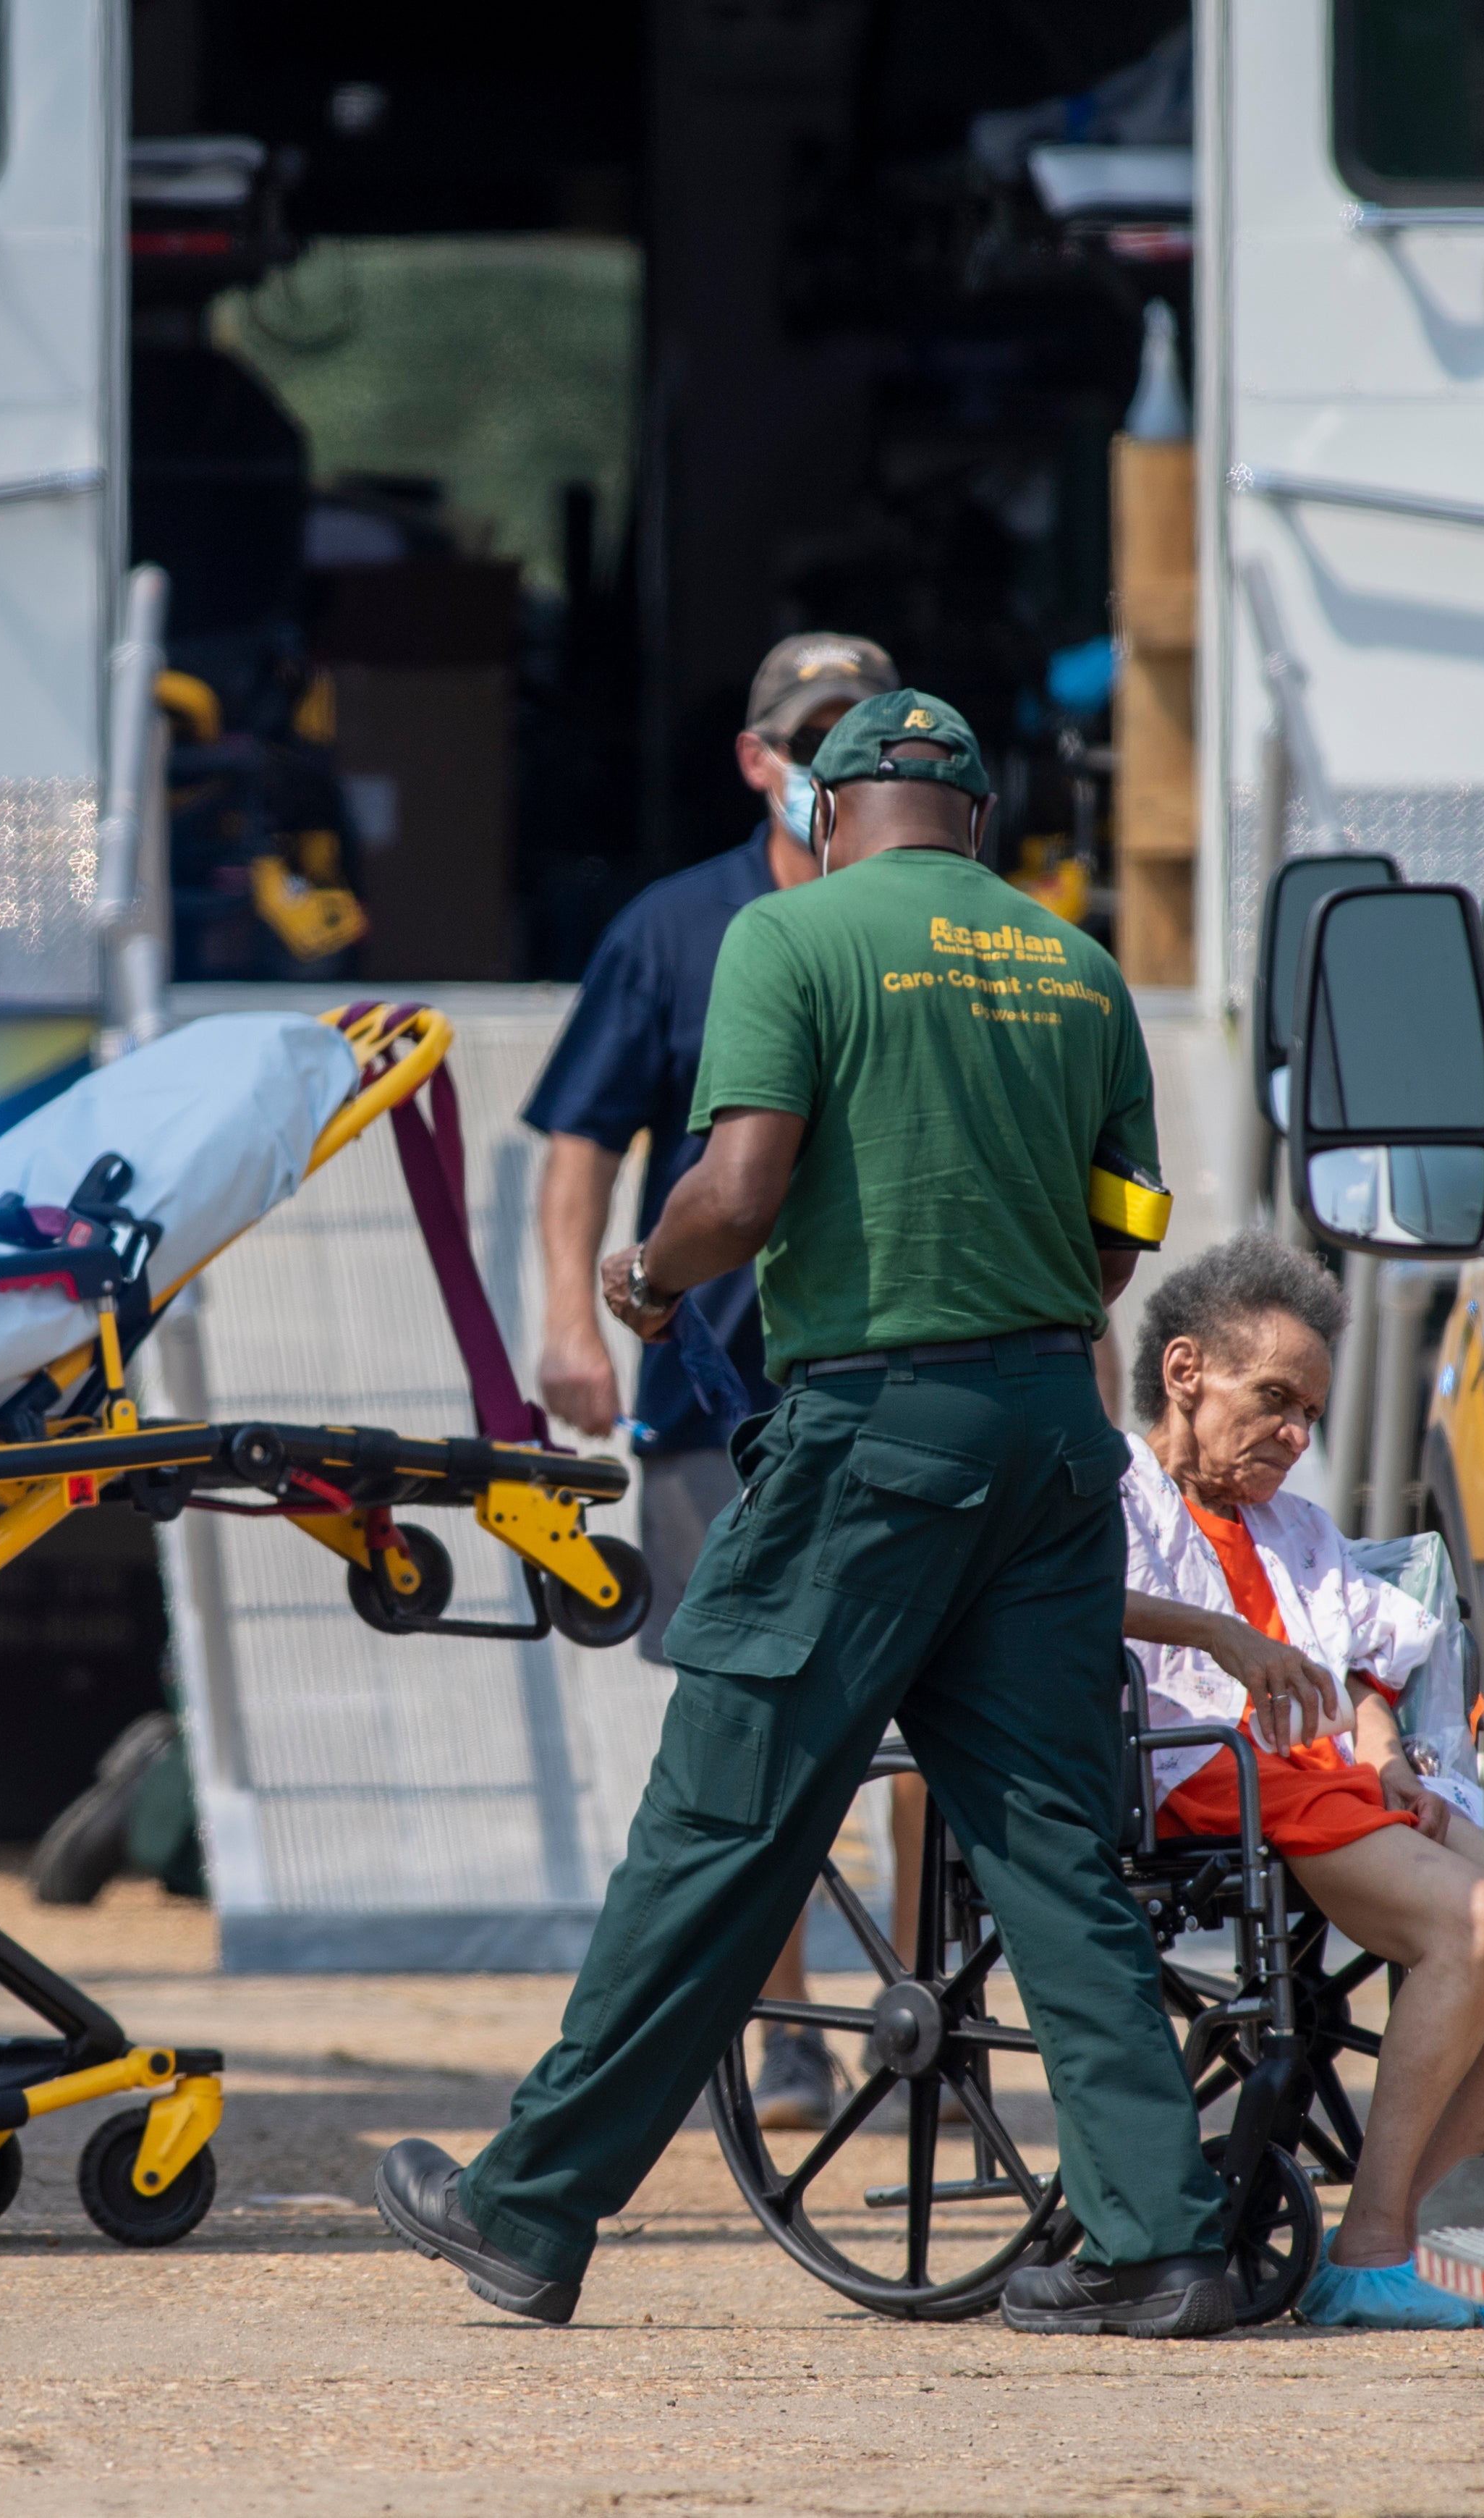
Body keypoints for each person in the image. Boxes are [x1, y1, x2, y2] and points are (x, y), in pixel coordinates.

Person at [377, 688, 1313, 2337]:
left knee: (721, 1823)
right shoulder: (1078, 971)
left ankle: (527, 2210)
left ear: (824, 814)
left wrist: (644, 1277)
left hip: (873, 1439)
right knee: (1051, 1848)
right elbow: (1116, 1248)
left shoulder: (788, 939)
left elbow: (737, 1190)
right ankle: (1164, 2242)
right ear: (978, 817)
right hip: (1050, 1438)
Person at [523, 631, 924, 2131]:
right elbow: (583, 1137)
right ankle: (789, 2034)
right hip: (712, 1397)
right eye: (811, 729)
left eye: (863, 727)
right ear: (759, 758)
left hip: (891, 1387)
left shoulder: (952, 932)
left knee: (924, 1713)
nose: (835, 752)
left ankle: (917, 2001)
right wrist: (576, 1316)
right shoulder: (679, 927)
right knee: (750, 1715)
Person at [1119, 1232, 1484, 2331]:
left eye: (1309, 1416)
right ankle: (1372, 2241)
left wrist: (1387, 1754)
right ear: (1185, 1371)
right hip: (1212, 1770)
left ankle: (1415, 2223)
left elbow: (1360, 1669)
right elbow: (1058, 1601)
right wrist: (1217, 1633)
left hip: (1326, 1768)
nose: (1294, 1434)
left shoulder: (1297, 1528)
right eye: (1275, 1399)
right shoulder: (1115, 1490)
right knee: (1477, 1927)